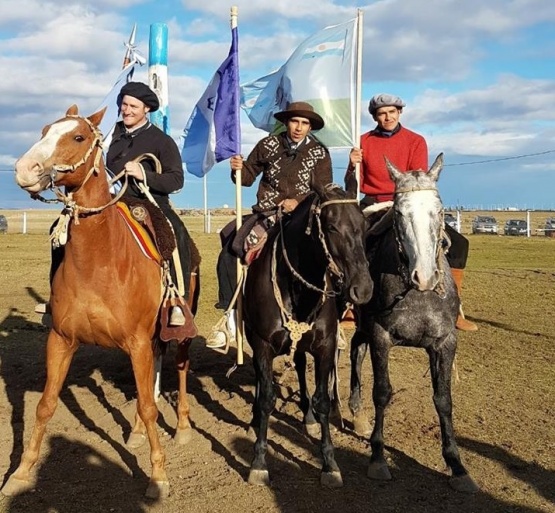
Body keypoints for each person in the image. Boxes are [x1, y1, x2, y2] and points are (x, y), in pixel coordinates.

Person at [206, 101, 333, 349]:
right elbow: (246, 180)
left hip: (304, 218)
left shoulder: (320, 152)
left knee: (330, 255)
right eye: (295, 121)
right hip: (267, 214)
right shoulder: (268, 145)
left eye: (304, 123)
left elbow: (323, 190)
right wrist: (238, 169)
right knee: (233, 251)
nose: (299, 127)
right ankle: (230, 319)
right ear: (286, 122)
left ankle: (333, 322)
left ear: (310, 127)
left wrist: (297, 202)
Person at [347, 93, 477, 331]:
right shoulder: (362, 141)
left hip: (407, 202)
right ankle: (349, 306)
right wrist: (351, 162)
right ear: (375, 117)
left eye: (391, 112)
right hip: (374, 202)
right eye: (381, 113)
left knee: (459, 244)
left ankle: (454, 306)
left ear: (399, 113)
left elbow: (417, 178)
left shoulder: (416, 140)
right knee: (353, 242)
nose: (387, 117)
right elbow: (355, 181)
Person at [106, 81, 193, 326]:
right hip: (110, 202)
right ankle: (59, 296)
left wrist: (144, 175)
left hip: (148, 202)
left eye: (133, 106)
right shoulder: (110, 136)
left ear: (146, 109)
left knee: (176, 233)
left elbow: (176, 180)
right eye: (124, 104)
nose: (127, 110)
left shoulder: (162, 141)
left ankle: (177, 300)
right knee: (62, 229)